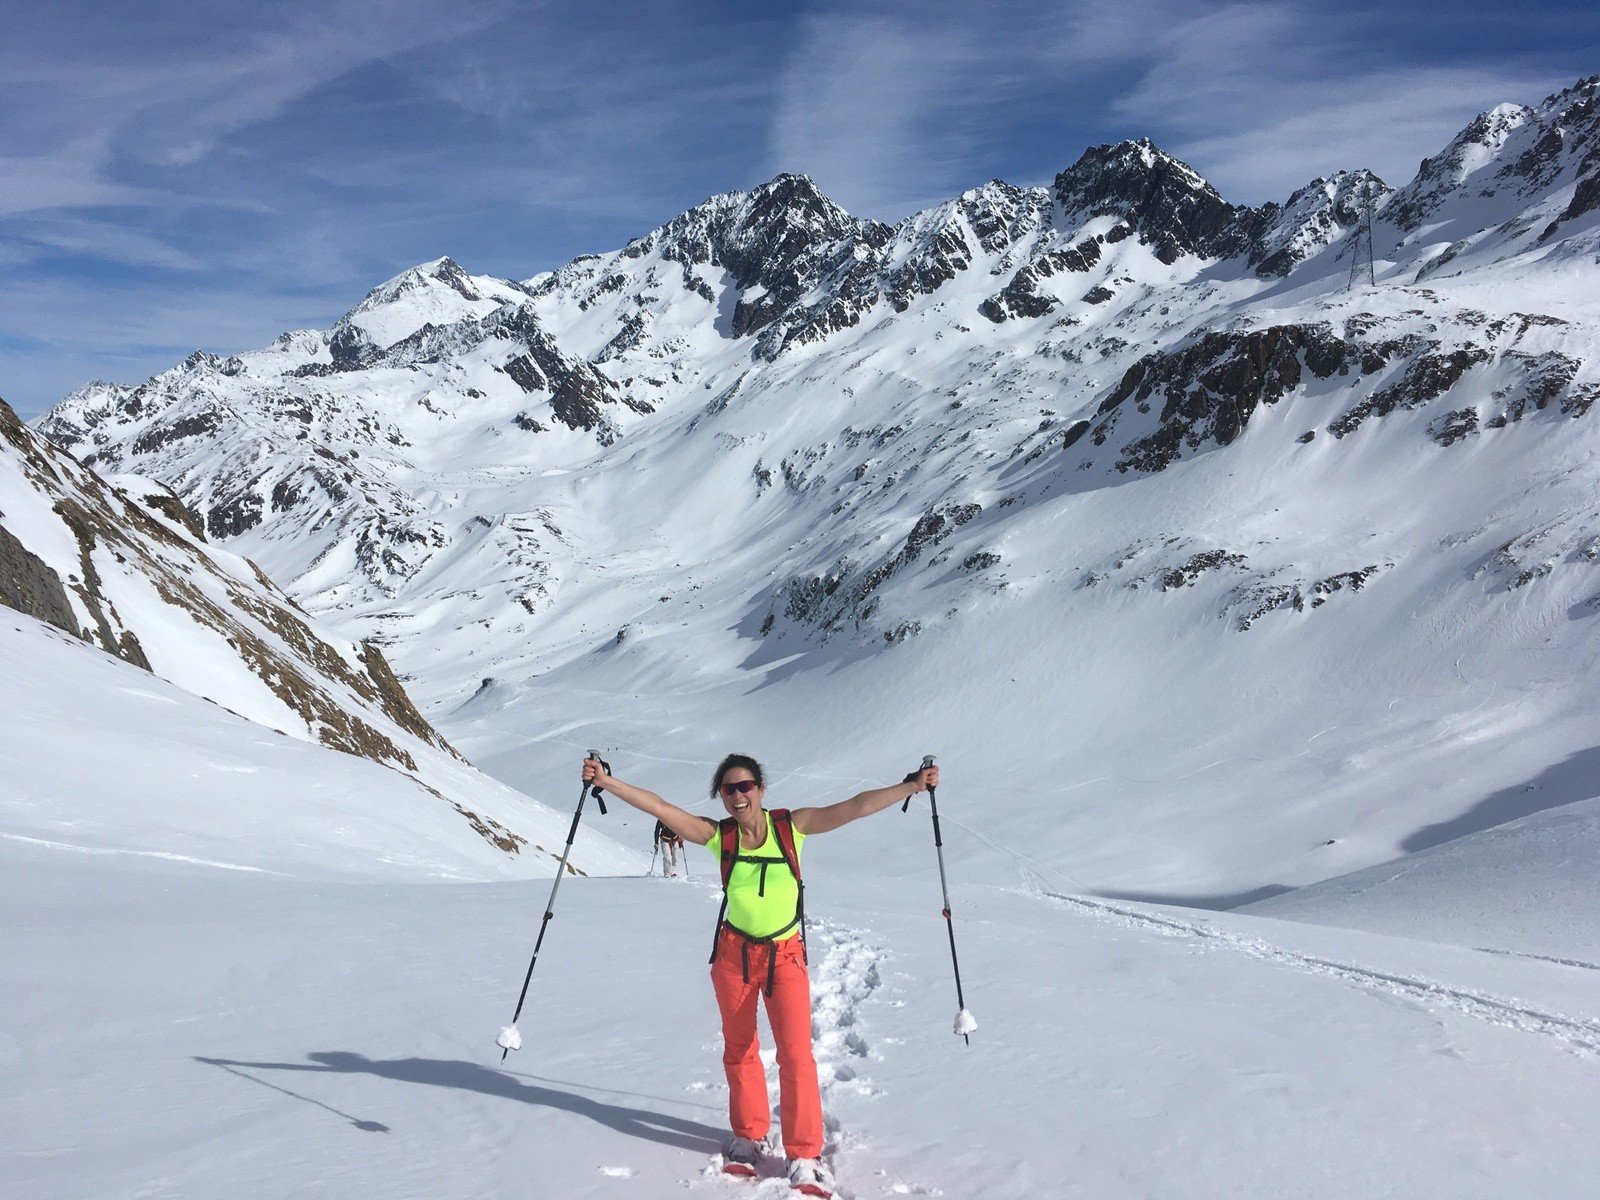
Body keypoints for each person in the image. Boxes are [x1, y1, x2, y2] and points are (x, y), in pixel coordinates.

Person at [581, 751, 938, 1199]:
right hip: (733, 956)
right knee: (739, 1049)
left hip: (784, 956)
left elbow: (854, 807)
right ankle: (748, 1136)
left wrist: (911, 786)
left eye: (745, 786)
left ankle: (804, 1153)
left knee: (796, 1055)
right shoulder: (720, 837)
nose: (737, 796)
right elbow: (662, 808)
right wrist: (608, 783)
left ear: (761, 789)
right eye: (728, 789)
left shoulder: (793, 827)